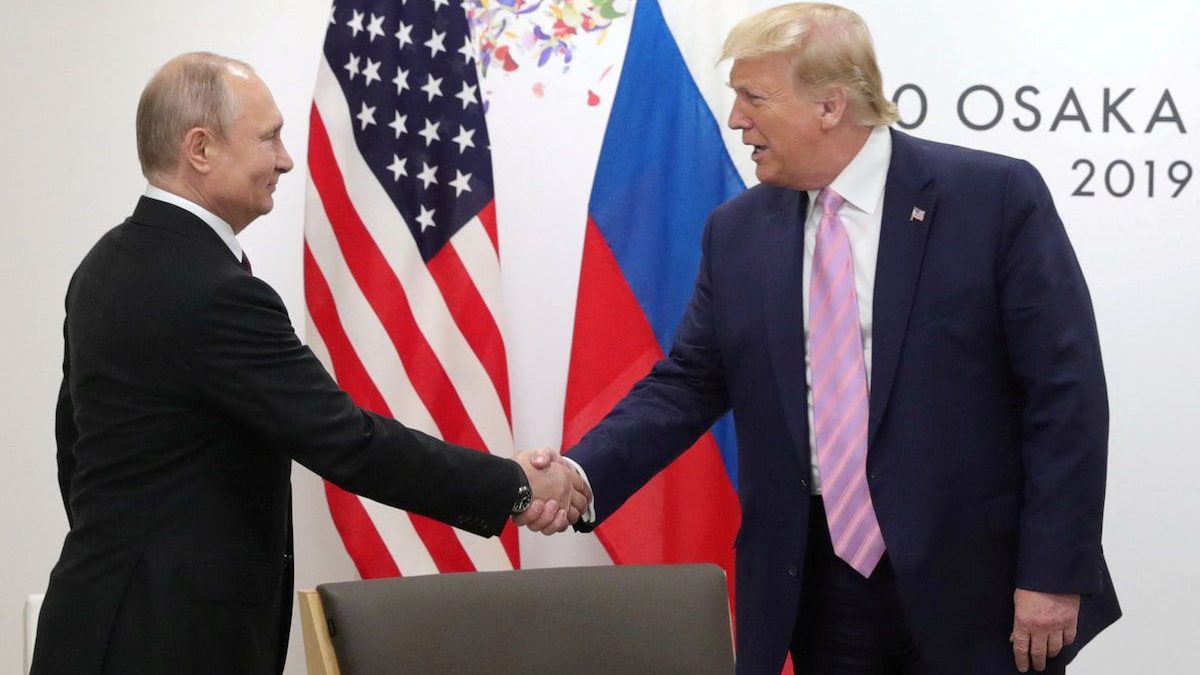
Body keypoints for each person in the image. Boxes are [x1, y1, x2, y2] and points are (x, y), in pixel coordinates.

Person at [531, 3, 1120, 673]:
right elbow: (689, 382)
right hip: (819, 587)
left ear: (831, 106)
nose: (735, 120)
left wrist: (1052, 571)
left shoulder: (994, 199)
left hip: (979, 586)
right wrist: (582, 472)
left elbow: (1065, 398)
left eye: (753, 97)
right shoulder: (737, 231)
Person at [32, 52, 585, 675]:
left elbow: (73, 446)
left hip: (94, 623)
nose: (286, 159)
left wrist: (127, 556)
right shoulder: (214, 290)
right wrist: (511, 485)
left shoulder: (105, 264)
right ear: (200, 148)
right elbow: (347, 441)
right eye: (269, 138)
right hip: (169, 642)